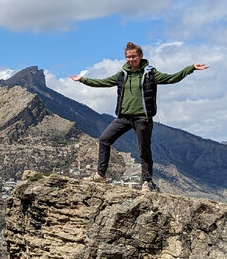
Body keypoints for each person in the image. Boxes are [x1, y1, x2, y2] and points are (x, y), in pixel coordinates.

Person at [69, 42, 209, 191]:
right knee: (104, 140)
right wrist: (83, 80)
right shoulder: (122, 74)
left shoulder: (150, 73)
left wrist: (190, 68)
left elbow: (172, 78)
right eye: (128, 57)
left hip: (143, 118)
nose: (131, 59)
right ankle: (100, 175)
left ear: (140, 56)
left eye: (133, 56)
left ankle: (146, 182)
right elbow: (103, 82)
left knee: (144, 150)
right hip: (123, 117)